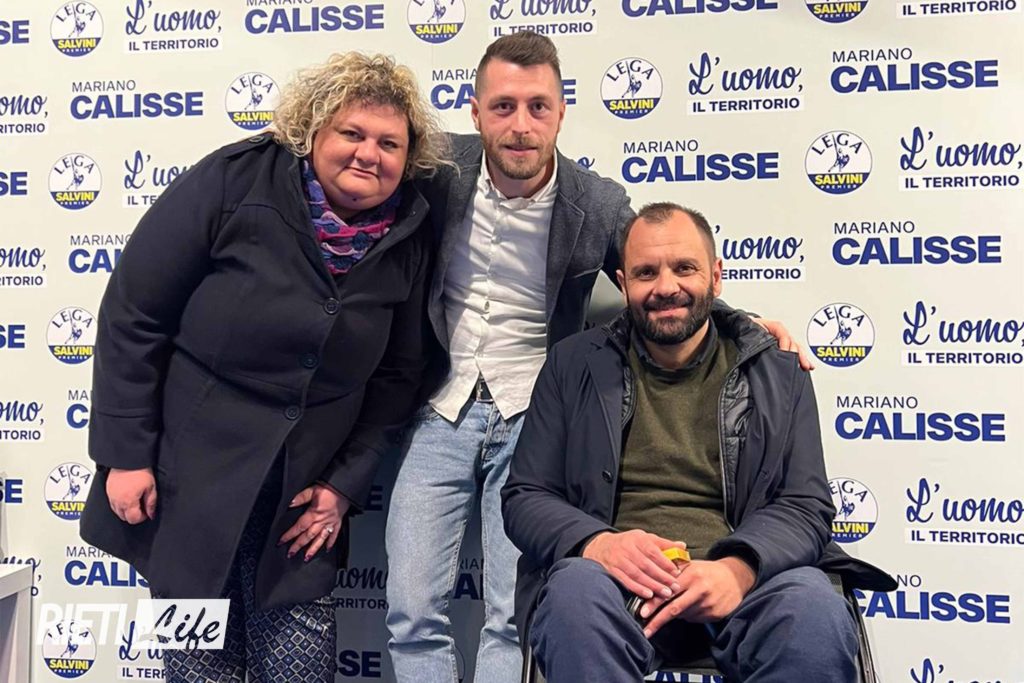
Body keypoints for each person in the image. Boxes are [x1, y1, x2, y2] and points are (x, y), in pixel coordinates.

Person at [384, 32, 809, 683]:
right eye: (503, 107)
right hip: (439, 404)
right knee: (412, 610)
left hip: (533, 409)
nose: (520, 126)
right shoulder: (438, 171)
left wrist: (742, 325)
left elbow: (660, 275)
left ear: (560, 112)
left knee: (509, 616)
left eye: (538, 107)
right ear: (475, 112)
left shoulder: (598, 203)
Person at [79, 52, 447, 682]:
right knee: (199, 670)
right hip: (188, 483)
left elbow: (398, 377)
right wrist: (125, 455)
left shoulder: (410, 231)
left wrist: (343, 487)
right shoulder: (234, 180)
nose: (369, 154)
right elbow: (134, 315)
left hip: (302, 505)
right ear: (314, 131)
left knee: (300, 667)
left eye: (389, 143)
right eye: (352, 133)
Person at [502, 203, 895, 682]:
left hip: (746, 588)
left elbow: (805, 504)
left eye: (684, 268)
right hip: (614, 588)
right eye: (646, 272)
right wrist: (598, 545)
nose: (666, 287)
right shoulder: (572, 364)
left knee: (814, 610)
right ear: (623, 284)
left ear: (716, 277)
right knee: (573, 594)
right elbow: (526, 496)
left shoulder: (777, 370)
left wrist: (737, 570)